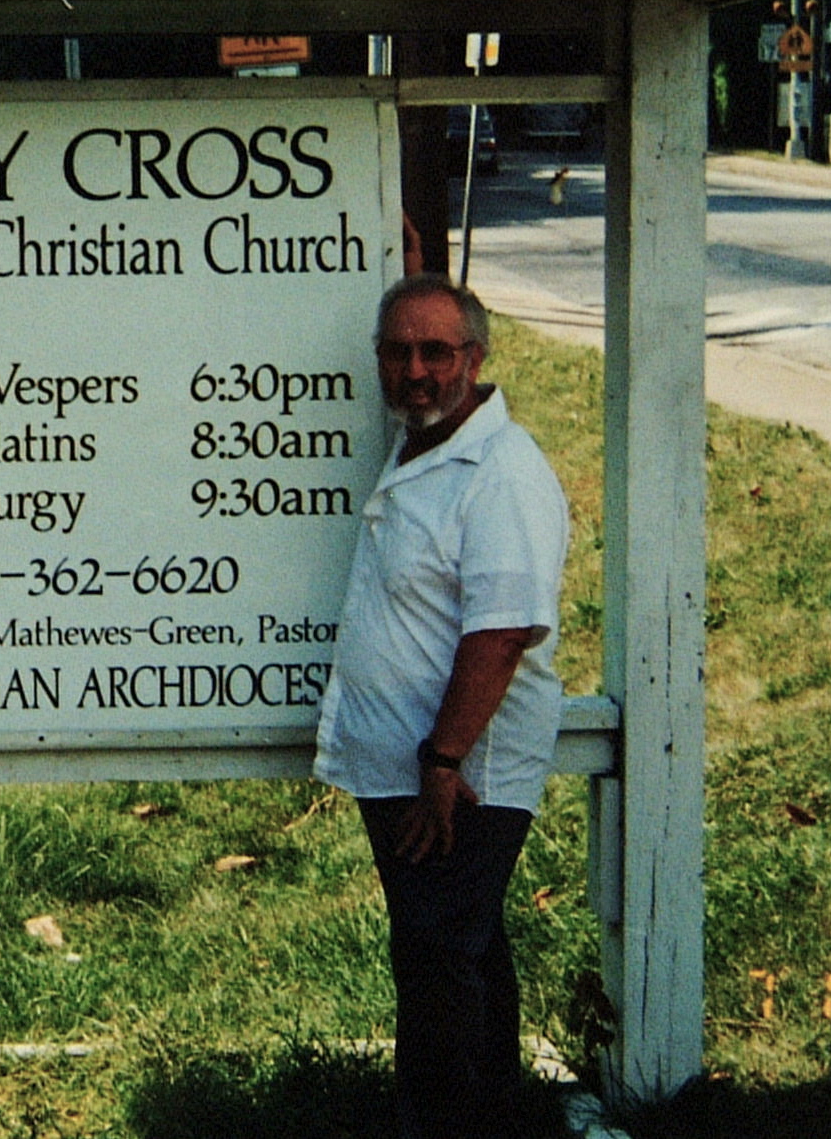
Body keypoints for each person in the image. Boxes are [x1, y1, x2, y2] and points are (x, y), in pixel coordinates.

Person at [313, 274, 569, 1139]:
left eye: (436, 350)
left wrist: (444, 760)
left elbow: (500, 635)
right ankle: (493, 1114)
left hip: (460, 779)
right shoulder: (427, 442)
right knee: (461, 948)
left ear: (477, 355)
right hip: (416, 767)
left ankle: (442, 1124)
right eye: (398, 349)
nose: (415, 369)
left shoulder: (500, 472)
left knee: (434, 962)